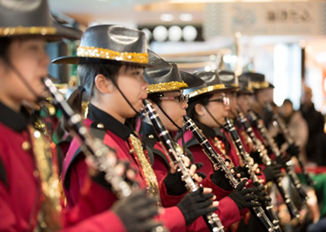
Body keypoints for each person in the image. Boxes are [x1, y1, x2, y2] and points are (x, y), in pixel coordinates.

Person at [0, 1, 161, 231]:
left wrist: (98, 190)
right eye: (32, 49)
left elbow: (55, 225)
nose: (45, 60)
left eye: (43, 49)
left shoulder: (24, 135)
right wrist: (116, 222)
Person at [54, 24, 218, 231]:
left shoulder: (123, 137)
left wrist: (169, 189)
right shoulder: (93, 147)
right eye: (135, 74)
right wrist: (181, 213)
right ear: (104, 84)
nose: (145, 84)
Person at [141, 58, 252, 230]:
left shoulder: (170, 145)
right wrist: (233, 204)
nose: (185, 104)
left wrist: (217, 184)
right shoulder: (150, 151)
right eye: (178, 98)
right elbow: (181, 220)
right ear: (151, 105)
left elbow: (193, 202)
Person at [300, 86, 325, 163]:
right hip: (300, 149)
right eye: (304, 94)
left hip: (313, 151)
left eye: (308, 94)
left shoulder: (318, 116)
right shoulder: (298, 114)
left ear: (311, 96)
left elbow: (320, 136)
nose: (306, 97)